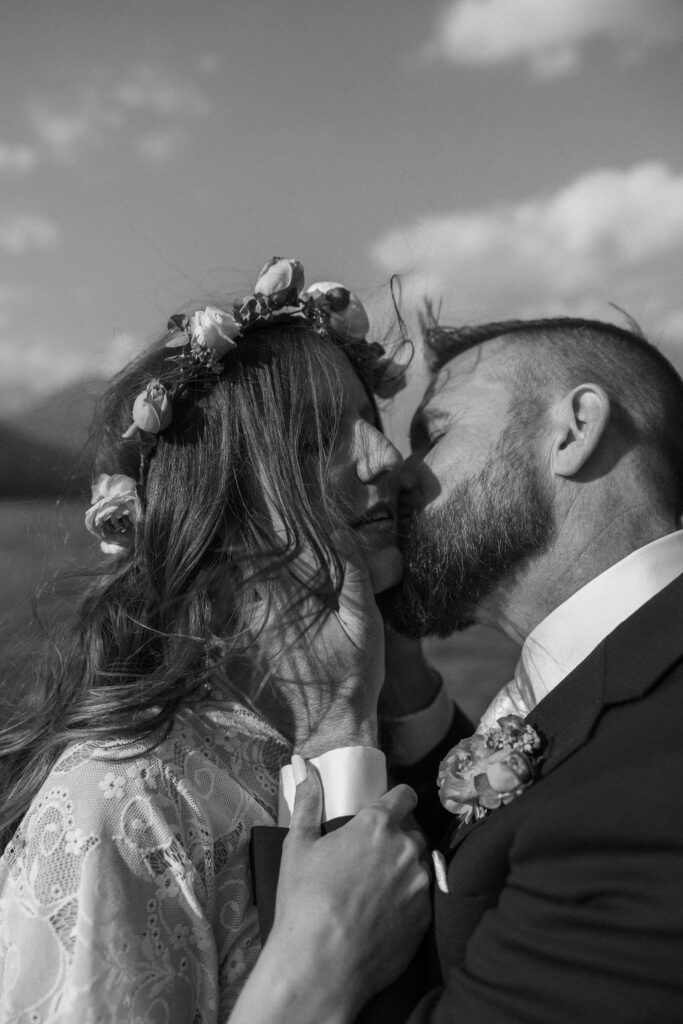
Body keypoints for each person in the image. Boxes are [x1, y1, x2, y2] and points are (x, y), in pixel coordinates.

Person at [0, 258, 430, 1023]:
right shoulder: (126, 804)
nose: (386, 459)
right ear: (217, 512)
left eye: (374, 422)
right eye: (317, 439)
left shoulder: (385, 716)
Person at [245, 313, 683, 1023]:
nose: (393, 468)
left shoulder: (649, 787)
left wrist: (337, 733)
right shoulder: (630, 677)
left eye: (434, 434)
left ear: (573, 430)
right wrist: (403, 684)